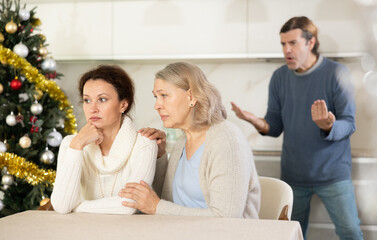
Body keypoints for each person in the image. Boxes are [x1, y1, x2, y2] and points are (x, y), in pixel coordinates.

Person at [231, 16, 363, 239]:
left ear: (310, 43)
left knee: (350, 231)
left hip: (333, 174)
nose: (286, 50)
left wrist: (329, 126)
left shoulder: (336, 74)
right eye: (283, 44)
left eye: (293, 43)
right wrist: (256, 122)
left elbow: (349, 124)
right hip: (294, 176)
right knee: (289, 234)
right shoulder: (279, 78)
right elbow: (274, 126)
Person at [118, 62, 261, 218]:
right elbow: (168, 199)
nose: (157, 105)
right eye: (156, 97)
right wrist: (160, 155)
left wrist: (157, 207)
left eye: (164, 95)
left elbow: (226, 217)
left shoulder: (227, 139)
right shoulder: (183, 141)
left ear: (191, 97)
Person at [51, 65, 157, 214]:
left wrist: (77, 207)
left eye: (102, 99)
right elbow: (62, 206)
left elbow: (130, 205)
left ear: (123, 104)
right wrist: (77, 145)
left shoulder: (145, 144)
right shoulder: (72, 144)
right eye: (87, 100)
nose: (92, 108)